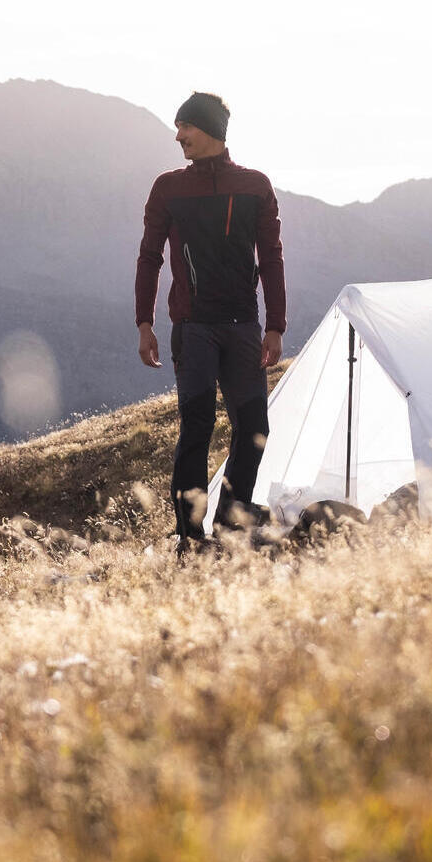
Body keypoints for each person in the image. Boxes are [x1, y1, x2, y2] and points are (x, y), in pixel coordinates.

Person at [135, 91, 285, 550]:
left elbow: (272, 257)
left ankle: (230, 527)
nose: (179, 136)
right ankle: (189, 534)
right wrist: (145, 321)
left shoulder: (255, 186)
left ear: (212, 131)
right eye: (177, 128)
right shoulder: (168, 187)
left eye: (186, 127)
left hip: (243, 327)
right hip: (193, 328)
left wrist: (276, 324)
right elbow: (149, 257)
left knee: (254, 428)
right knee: (196, 428)